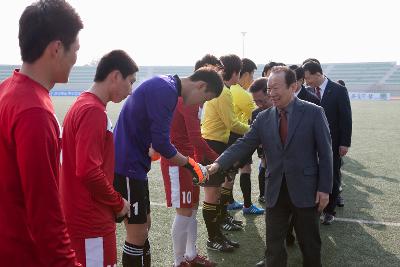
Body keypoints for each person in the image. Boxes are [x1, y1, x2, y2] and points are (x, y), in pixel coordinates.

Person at [207, 66, 333, 267]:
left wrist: (325, 189)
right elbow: (244, 144)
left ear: (293, 86)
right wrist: (218, 163)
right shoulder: (263, 118)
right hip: (275, 190)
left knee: (310, 244)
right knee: (273, 247)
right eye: (269, 88)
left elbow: (326, 155)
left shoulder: (314, 112)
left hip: (306, 190)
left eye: (276, 88)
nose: (271, 93)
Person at [0, 1, 83, 266]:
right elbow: (44, 215)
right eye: (76, 49)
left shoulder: (7, 89)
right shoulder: (35, 112)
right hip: (22, 254)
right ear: (57, 48)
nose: (76, 59)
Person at [113, 67, 223, 266]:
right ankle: (179, 260)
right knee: (137, 234)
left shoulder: (167, 86)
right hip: (127, 165)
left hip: (136, 165)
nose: (201, 104)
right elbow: (163, 144)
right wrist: (192, 165)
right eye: (205, 99)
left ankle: (186, 256)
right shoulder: (166, 90)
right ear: (201, 86)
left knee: (145, 226)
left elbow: (156, 139)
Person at [60, 50, 138, 267]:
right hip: (91, 219)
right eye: (130, 82)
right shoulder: (93, 111)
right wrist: (118, 202)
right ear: (115, 76)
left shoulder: (82, 104)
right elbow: (88, 170)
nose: (131, 91)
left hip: (81, 215)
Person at [160, 55, 221, 267]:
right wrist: (217, 158)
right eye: (216, 72)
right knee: (185, 209)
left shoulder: (186, 98)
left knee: (192, 207)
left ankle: (191, 255)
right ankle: (179, 262)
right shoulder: (188, 100)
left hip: (188, 161)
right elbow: (195, 137)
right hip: (178, 161)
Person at [201, 54, 249, 249]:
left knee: (217, 192)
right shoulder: (223, 91)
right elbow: (232, 124)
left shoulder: (224, 90)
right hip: (212, 144)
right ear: (236, 72)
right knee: (212, 194)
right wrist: (255, 130)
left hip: (216, 143)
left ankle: (218, 231)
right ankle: (214, 238)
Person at [303, 60, 352, 225]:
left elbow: (346, 118)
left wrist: (344, 143)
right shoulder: (308, 92)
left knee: (332, 174)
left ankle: (330, 210)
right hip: (311, 142)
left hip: (333, 142)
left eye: (308, 78)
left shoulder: (338, 90)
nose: (306, 82)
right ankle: (315, 207)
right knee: (313, 174)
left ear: (318, 74)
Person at [229, 58, 264, 215]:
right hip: (239, 135)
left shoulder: (228, 89)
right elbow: (257, 115)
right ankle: (248, 205)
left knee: (229, 172)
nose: (252, 79)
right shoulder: (243, 94)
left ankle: (230, 202)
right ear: (246, 74)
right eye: (252, 74)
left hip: (227, 135)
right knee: (245, 168)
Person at [248, 78, 273, 206]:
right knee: (264, 165)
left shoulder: (289, 111)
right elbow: (249, 139)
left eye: (261, 101)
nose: (259, 104)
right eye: (255, 101)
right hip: (266, 151)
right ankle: (264, 194)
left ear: (270, 93)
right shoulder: (257, 114)